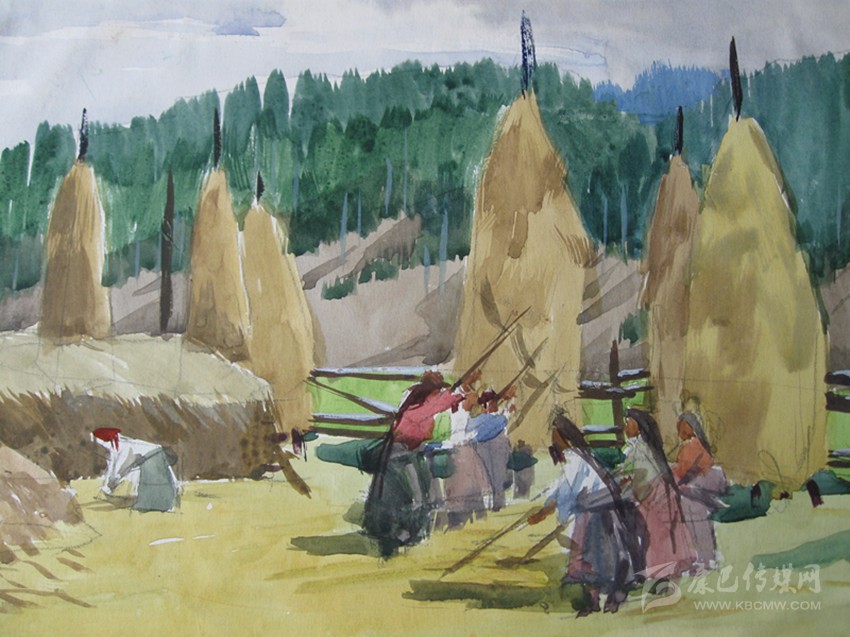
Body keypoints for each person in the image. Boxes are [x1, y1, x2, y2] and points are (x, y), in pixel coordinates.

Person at [529, 411, 646, 616]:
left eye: (556, 437)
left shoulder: (575, 458)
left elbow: (567, 490)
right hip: (593, 510)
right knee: (594, 560)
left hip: (597, 513)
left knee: (598, 558)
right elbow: (562, 487)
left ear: (566, 437)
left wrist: (545, 511)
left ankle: (609, 598)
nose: (554, 442)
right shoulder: (579, 456)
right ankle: (595, 599)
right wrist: (546, 509)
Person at [362, 370, 479, 556]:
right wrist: (462, 390)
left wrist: (463, 387)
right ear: (430, 392)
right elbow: (440, 404)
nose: (438, 394)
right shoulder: (418, 409)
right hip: (399, 456)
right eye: (437, 391)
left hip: (402, 455)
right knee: (413, 498)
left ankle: (404, 534)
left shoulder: (414, 405)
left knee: (410, 497)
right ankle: (404, 535)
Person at [619, 409, 696, 579]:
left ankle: (660, 572)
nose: (625, 427)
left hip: (653, 495)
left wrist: (625, 487)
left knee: (656, 535)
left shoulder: (638, 448)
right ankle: (668, 569)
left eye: (628, 423)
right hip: (660, 492)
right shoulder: (646, 446)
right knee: (664, 535)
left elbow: (633, 476)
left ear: (637, 425)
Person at [672, 412, 727, 567]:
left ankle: (704, 559)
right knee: (703, 526)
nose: (680, 433)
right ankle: (707, 558)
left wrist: (673, 474)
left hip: (693, 493)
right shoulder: (700, 445)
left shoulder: (691, 446)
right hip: (700, 493)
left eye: (682, 429)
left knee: (696, 526)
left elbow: (683, 471)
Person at [91, 428, 179, 512]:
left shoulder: (124, 447)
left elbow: (121, 467)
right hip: (147, 459)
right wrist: (108, 484)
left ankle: (156, 503)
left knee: (151, 483)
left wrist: (114, 481)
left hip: (152, 458)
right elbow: (112, 467)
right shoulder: (114, 449)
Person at [439, 389, 491, 528]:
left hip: (466, 452)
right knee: (459, 486)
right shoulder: (456, 413)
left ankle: (474, 517)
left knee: (473, 484)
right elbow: (453, 435)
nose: (476, 398)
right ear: (467, 396)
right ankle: (457, 519)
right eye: (473, 395)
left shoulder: (469, 415)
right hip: (457, 453)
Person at [467, 387, 514, 511]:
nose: (493, 404)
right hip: (486, 446)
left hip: (494, 446)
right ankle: (495, 502)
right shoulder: (482, 418)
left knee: (497, 474)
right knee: (490, 474)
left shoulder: (495, 417)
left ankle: (497, 501)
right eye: (491, 402)